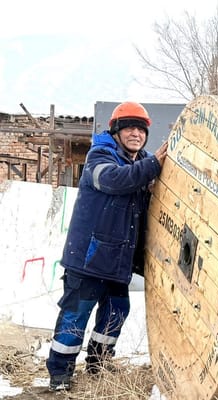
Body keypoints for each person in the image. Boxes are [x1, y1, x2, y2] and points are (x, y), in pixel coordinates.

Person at [46, 101, 168, 391]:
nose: (136, 134)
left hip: (116, 261)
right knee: (76, 314)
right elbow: (112, 181)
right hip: (88, 260)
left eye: (141, 129)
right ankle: (60, 374)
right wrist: (152, 167)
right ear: (116, 131)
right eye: (129, 128)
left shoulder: (140, 164)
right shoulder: (100, 156)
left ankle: (99, 362)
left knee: (116, 312)